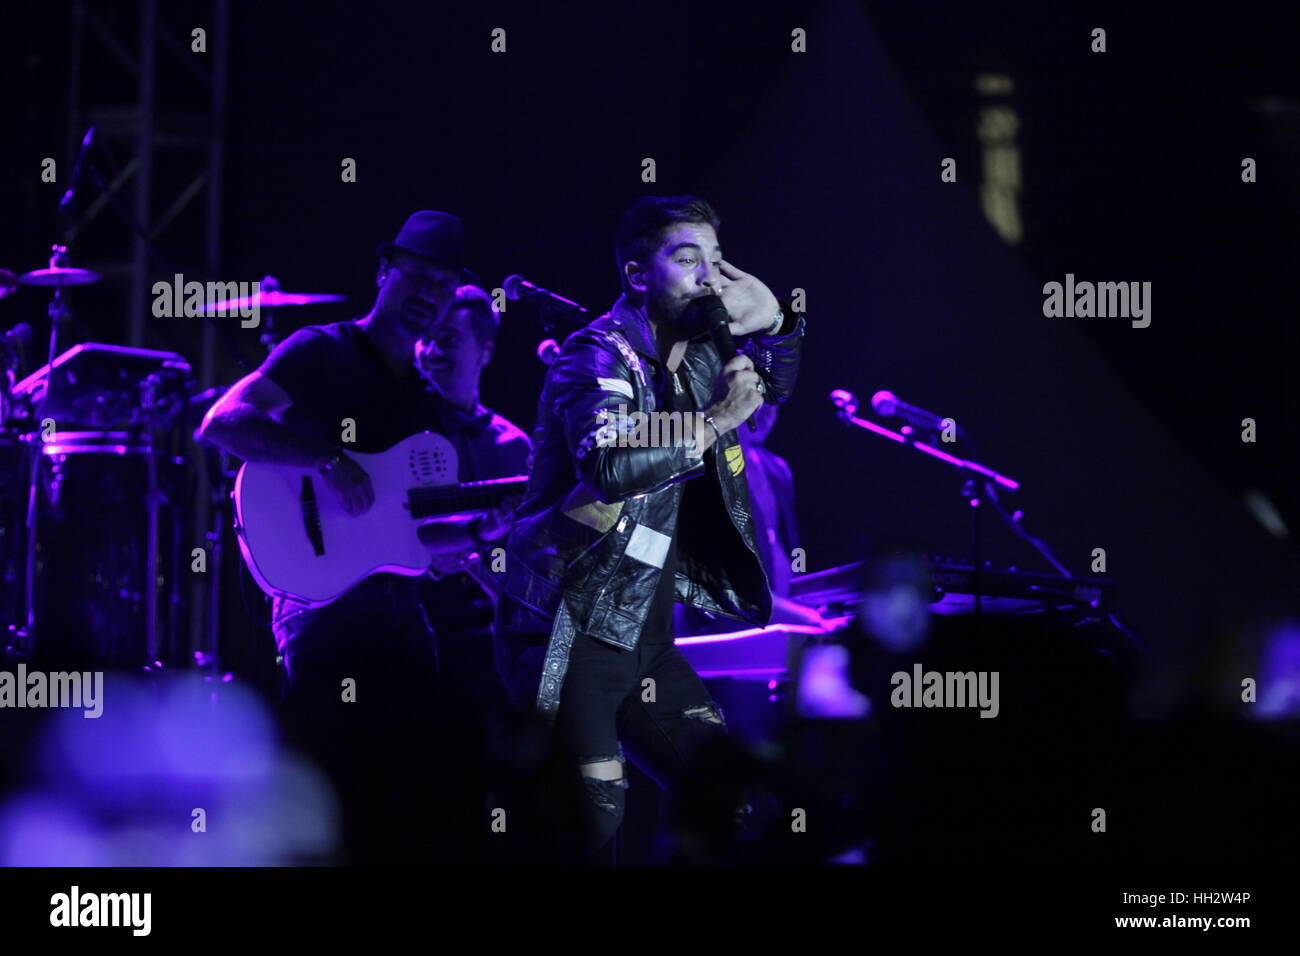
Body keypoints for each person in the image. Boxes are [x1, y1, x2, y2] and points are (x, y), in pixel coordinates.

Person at [198, 211, 518, 863]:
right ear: (383, 272)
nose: (427, 294)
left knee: (413, 811)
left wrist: (482, 531)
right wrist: (326, 459)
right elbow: (224, 424)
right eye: (416, 277)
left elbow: (422, 544)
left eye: (442, 284)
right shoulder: (322, 349)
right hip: (319, 610)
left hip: (399, 615)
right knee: (330, 796)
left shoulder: (425, 403)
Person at [492, 195, 805, 860]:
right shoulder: (595, 354)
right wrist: (715, 422)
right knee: (587, 827)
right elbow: (608, 462)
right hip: (562, 629)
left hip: (642, 634)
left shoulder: (692, 360)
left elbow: (774, 387)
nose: (707, 278)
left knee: (740, 802)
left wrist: (778, 316)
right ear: (637, 275)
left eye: (716, 262)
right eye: (687, 259)